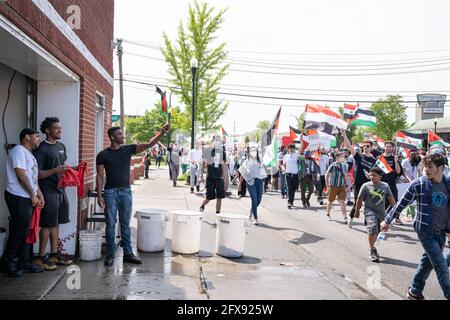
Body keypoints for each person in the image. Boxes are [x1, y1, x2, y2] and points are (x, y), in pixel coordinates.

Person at [97, 124, 169, 267]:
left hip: (125, 192)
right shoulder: (103, 155)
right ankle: (110, 254)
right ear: (112, 137)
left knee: (125, 223)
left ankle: (128, 254)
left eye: (123, 134)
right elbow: (99, 176)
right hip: (110, 192)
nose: (123, 136)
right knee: (111, 223)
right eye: (120, 135)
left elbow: (149, 144)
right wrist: (100, 195)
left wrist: (161, 133)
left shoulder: (128, 149)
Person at [381, 154, 450, 300]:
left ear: (441, 168)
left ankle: (414, 291)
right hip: (426, 232)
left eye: (430, 166)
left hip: (442, 232)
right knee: (441, 267)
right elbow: (401, 204)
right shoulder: (418, 184)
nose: (426, 169)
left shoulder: (448, 183)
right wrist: (387, 220)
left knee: (427, 263)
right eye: (425, 166)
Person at [0, 129, 45, 277]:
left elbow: (32, 178)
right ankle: (7, 262)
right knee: (19, 230)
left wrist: (40, 195)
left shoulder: (29, 154)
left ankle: (24, 261)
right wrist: (33, 195)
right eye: (36, 136)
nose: (39, 139)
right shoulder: (18, 151)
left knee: (27, 230)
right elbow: (21, 175)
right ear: (27, 137)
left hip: (27, 196)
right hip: (18, 195)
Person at [33, 117, 72, 269]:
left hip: (60, 189)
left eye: (60, 128)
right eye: (56, 128)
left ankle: (54, 255)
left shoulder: (61, 146)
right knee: (47, 225)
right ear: (48, 130)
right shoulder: (41, 149)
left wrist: (74, 168)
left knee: (55, 223)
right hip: (47, 189)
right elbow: (36, 174)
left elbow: (62, 166)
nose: (60, 130)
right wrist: (55, 170)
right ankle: (40, 257)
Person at [356, 167, 396, 262]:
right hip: (369, 211)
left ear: (380, 176)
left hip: (382, 213)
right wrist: (357, 211)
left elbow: (391, 200)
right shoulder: (365, 186)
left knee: (379, 232)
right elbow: (359, 199)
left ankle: (375, 248)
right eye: (370, 175)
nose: (372, 177)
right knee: (372, 228)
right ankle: (372, 251)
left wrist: (394, 213)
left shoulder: (385, 186)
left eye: (374, 175)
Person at [341, 129, 377, 228]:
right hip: (358, 184)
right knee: (358, 204)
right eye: (364, 146)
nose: (365, 147)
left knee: (368, 205)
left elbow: (376, 174)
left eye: (368, 146)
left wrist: (370, 176)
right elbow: (349, 146)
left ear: (371, 147)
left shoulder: (374, 160)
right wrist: (344, 135)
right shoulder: (359, 156)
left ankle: (367, 223)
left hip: (369, 185)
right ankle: (351, 216)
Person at [239, 144, 267, 225]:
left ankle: (252, 210)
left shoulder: (260, 160)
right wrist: (240, 185)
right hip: (251, 182)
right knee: (254, 200)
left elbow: (265, 166)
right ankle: (255, 218)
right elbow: (242, 174)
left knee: (258, 201)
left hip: (260, 181)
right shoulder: (246, 161)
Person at [200, 135, 227, 214]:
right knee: (209, 197)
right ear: (212, 140)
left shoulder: (222, 152)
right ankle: (202, 205)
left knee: (219, 197)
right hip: (210, 177)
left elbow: (223, 165)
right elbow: (204, 164)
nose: (217, 141)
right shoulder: (208, 150)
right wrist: (201, 176)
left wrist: (225, 178)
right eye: (216, 139)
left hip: (219, 177)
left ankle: (218, 213)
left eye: (219, 140)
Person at [378, 141, 403, 225]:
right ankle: (380, 221)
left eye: (390, 147)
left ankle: (386, 218)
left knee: (395, 203)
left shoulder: (394, 158)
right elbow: (375, 171)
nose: (388, 148)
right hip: (382, 185)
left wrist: (396, 161)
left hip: (392, 184)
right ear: (384, 147)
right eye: (387, 146)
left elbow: (399, 171)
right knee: (382, 205)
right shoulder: (379, 158)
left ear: (392, 148)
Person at [325, 151, 348, 222]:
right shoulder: (332, 165)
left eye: (343, 156)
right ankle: (328, 214)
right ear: (337, 157)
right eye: (341, 156)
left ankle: (345, 217)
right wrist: (328, 186)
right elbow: (327, 175)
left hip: (342, 186)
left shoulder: (344, 165)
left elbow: (345, 175)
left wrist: (346, 185)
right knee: (330, 201)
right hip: (333, 186)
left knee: (342, 201)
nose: (343, 158)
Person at [282, 144, 300, 209]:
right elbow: (283, 164)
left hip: (295, 174)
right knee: (289, 188)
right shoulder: (286, 156)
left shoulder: (296, 155)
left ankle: (291, 200)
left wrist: (301, 139)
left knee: (294, 188)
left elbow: (301, 148)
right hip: (288, 174)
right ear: (288, 149)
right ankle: (289, 202)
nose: (291, 149)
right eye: (290, 148)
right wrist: (283, 168)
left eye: (293, 148)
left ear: (294, 149)